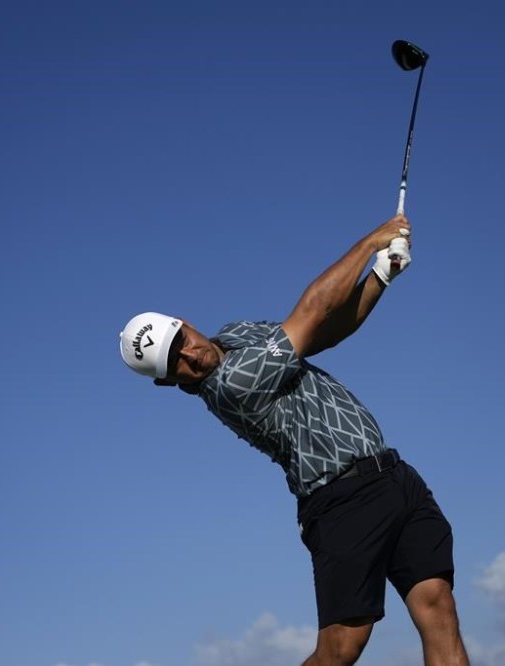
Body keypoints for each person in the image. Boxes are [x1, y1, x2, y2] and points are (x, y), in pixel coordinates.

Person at [118, 214, 470, 666]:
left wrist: (381, 276)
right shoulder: (229, 386)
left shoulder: (236, 333)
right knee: (340, 649)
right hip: (341, 501)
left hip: (394, 476)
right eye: (175, 362)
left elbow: (324, 332)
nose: (190, 354)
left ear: (184, 322)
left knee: (438, 606)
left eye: (181, 339)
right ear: (167, 382)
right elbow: (313, 311)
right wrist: (372, 243)